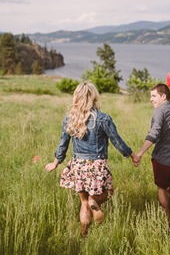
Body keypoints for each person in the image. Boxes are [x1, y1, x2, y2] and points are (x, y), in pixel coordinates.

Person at [45, 81, 139, 236]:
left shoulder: (71, 119)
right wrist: (131, 155)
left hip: (78, 166)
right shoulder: (103, 118)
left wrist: (56, 162)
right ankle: (94, 202)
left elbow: (63, 143)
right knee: (108, 192)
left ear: (77, 97)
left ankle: (84, 234)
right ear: (94, 97)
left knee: (83, 202)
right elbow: (117, 141)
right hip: (97, 165)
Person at [136, 83, 170, 237]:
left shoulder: (159, 111)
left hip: (162, 161)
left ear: (163, 96)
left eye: (153, 96)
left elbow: (154, 133)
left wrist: (139, 153)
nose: (150, 99)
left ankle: (167, 218)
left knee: (161, 188)